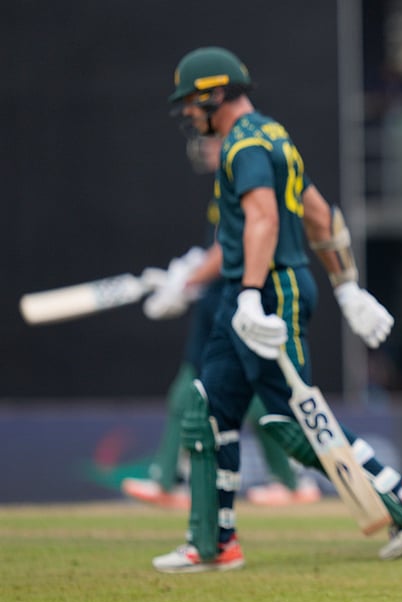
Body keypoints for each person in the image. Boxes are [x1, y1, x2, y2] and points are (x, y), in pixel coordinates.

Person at [151, 46, 402, 573]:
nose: (188, 113)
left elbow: (262, 218)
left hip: (267, 293)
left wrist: (249, 295)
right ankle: (213, 543)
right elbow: (320, 214)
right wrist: (348, 287)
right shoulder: (272, 135)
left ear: (215, 93)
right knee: (208, 410)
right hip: (258, 291)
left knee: (288, 417)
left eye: (192, 101)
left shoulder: (243, 147)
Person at [121, 136, 321, 511]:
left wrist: (188, 280)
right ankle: (171, 478)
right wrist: (191, 270)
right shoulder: (228, 183)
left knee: (254, 397)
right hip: (226, 298)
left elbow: (236, 246)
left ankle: (293, 480)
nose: (206, 150)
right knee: (204, 390)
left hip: (244, 298)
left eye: (212, 143)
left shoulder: (248, 172)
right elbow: (220, 245)